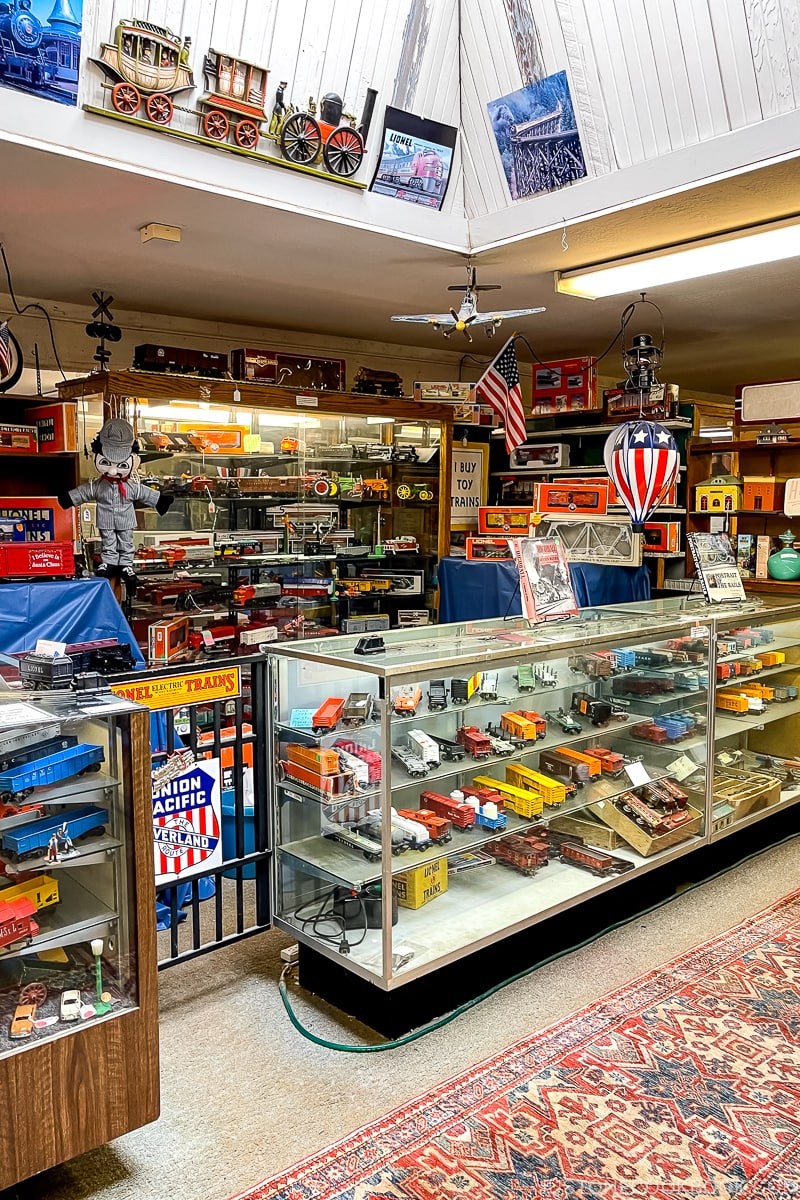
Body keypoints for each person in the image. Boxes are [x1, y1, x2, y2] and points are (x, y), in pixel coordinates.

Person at [58, 418, 172, 588]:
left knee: (126, 541)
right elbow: (84, 492)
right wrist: (69, 498)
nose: (113, 470)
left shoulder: (130, 486)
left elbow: (144, 492)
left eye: (120, 465)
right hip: (106, 521)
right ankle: (109, 562)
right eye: (106, 463)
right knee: (108, 541)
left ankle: (126, 565)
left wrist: (160, 500)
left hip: (126, 521)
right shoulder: (98, 486)